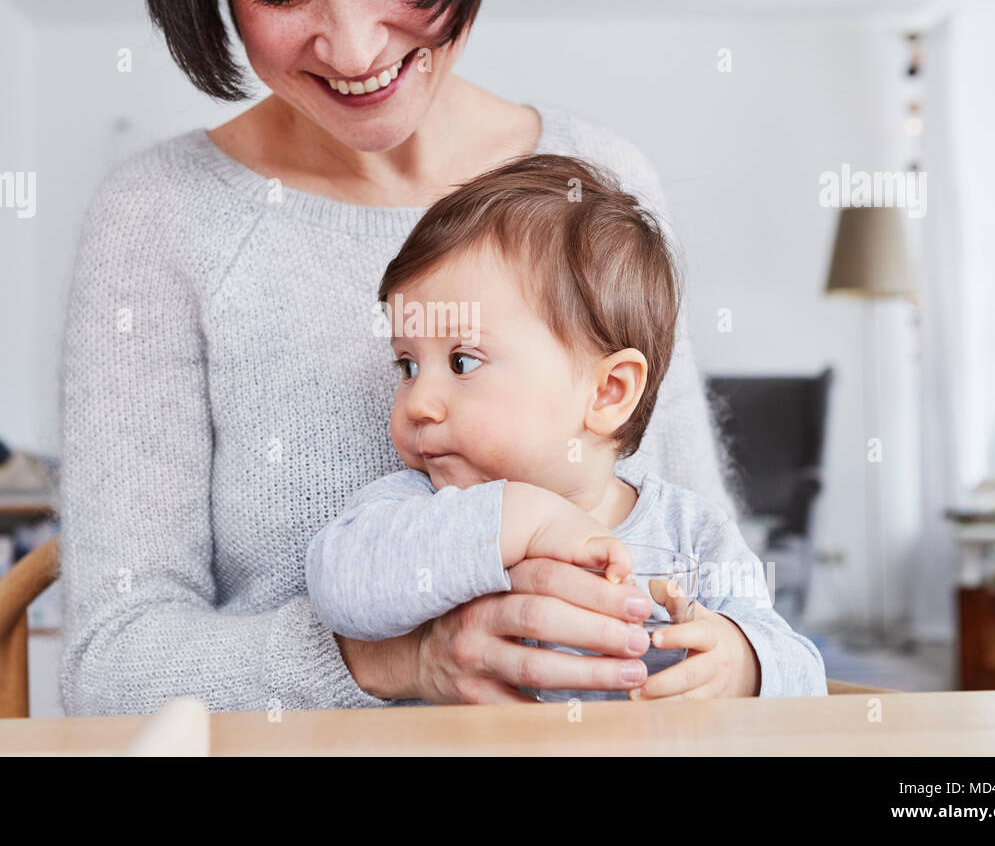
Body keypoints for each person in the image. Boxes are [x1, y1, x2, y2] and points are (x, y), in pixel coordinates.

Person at [59, 0, 736, 714]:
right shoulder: (160, 218)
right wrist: (392, 662)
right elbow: (110, 671)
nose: (352, 46)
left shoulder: (599, 185)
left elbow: (726, 591)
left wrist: (739, 659)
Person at [306, 153, 827, 701]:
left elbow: (805, 674)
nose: (418, 402)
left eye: (462, 361)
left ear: (607, 392)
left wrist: (743, 663)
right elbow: (337, 585)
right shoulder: (421, 511)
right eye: (408, 365)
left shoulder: (690, 533)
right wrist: (519, 517)